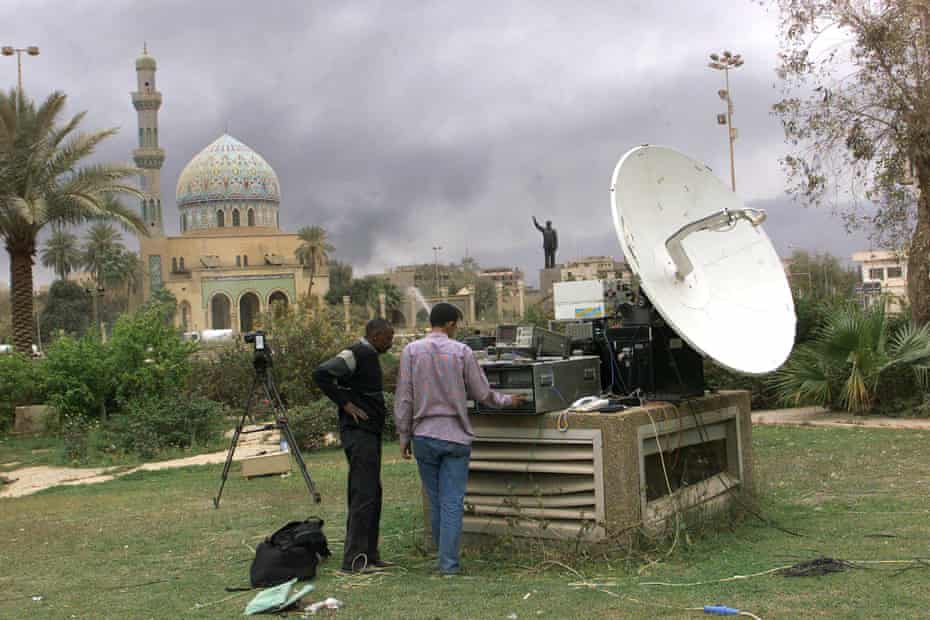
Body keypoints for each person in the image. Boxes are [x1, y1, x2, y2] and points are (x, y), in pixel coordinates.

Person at [394, 303, 525, 575]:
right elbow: (482, 393)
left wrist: (404, 435)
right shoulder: (461, 351)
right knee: (452, 501)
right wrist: (508, 401)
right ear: (452, 323)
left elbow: (404, 397)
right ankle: (448, 564)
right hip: (455, 437)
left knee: (436, 500)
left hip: (424, 436)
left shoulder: (411, 351)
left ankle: (443, 558)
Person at [313, 318, 395, 573]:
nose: (391, 343)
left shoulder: (369, 354)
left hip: (370, 433)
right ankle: (354, 561)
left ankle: (370, 555)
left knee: (373, 494)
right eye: (388, 338)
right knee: (362, 494)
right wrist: (346, 404)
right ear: (375, 335)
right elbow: (321, 374)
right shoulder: (355, 353)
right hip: (358, 434)